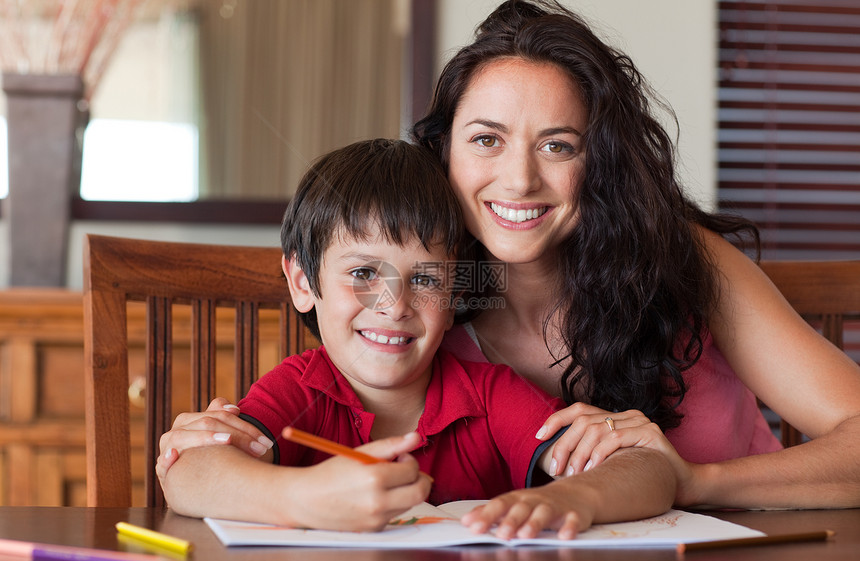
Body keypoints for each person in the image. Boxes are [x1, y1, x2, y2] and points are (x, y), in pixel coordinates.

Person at [160, 0, 860, 512]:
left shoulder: (678, 262)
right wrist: (212, 447)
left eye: (558, 145)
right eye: (487, 139)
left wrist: (697, 480)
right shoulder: (425, 298)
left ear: (600, 163)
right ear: (442, 152)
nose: (520, 179)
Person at [159, 138, 675, 538]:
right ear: (302, 282)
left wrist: (573, 499)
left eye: (426, 279)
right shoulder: (299, 390)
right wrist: (302, 497)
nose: (395, 304)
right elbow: (189, 472)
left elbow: (649, 469)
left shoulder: (489, 396)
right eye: (363, 273)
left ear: (455, 297)